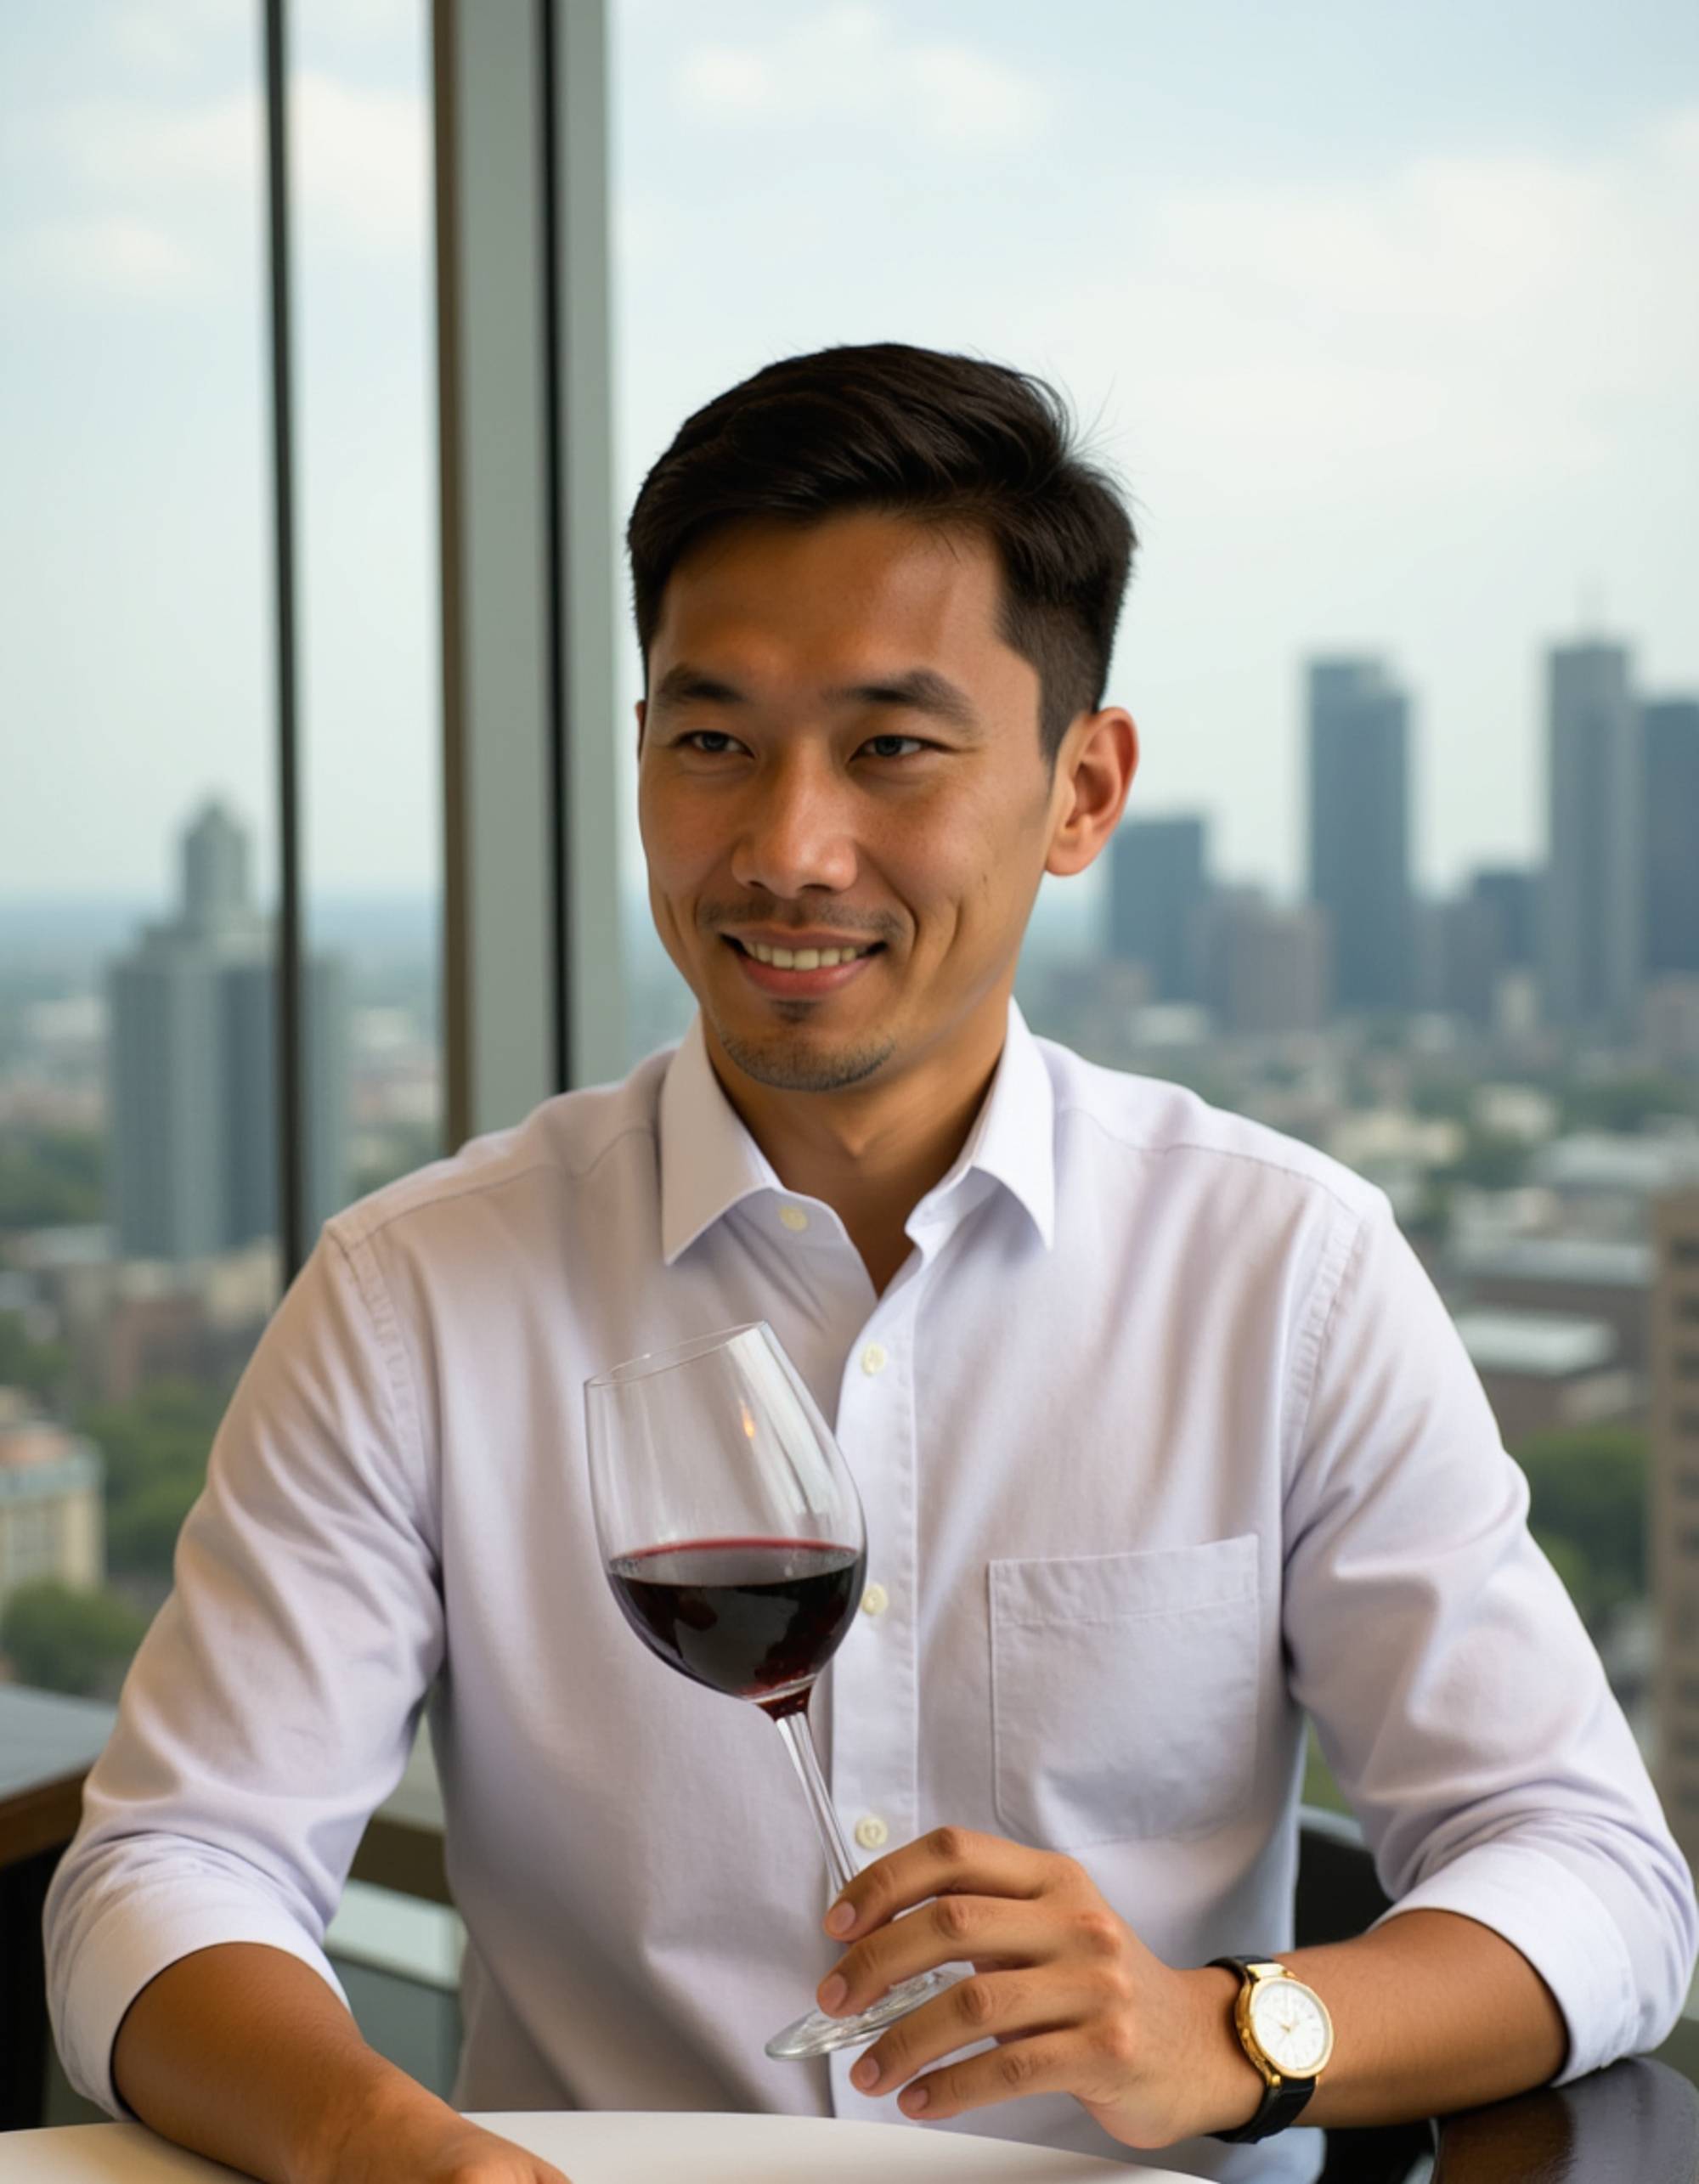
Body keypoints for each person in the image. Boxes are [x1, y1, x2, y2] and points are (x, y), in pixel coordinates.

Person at [46, 341, 1696, 2184]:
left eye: (891, 746)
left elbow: (1593, 1869)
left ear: (1080, 793)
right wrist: (373, 2139)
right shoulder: (414, 1292)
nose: (783, 845)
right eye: (711, 740)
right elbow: (169, 1865)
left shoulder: (1281, 1269)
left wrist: (1228, 2029)